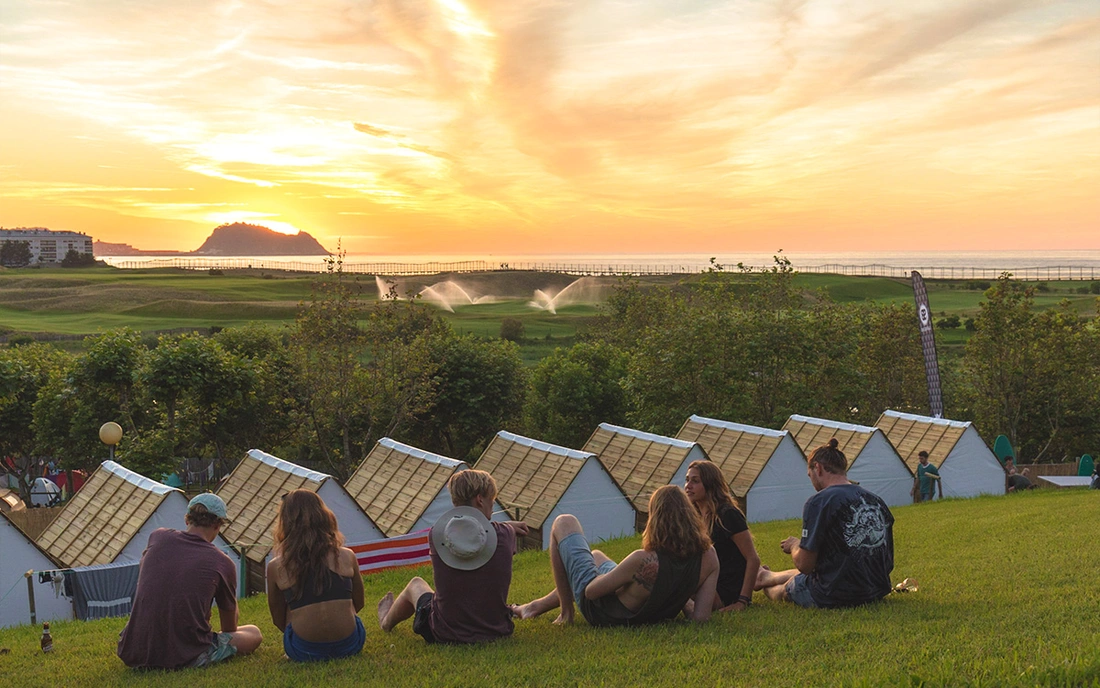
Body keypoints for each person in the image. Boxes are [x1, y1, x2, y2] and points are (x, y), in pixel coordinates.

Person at [511, 484, 719, 626]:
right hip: (651, 609)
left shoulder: (643, 560)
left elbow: (590, 592)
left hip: (605, 613)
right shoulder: (709, 556)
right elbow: (700, 617)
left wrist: (610, 579)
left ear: (656, 518)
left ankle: (566, 614)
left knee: (563, 522)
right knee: (596, 555)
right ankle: (534, 607)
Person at [377, 469, 529, 643]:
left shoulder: (437, 535)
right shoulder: (505, 534)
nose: (492, 506)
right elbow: (489, 537)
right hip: (495, 630)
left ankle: (386, 622)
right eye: (491, 501)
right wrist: (506, 526)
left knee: (416, 584)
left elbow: (473, 534)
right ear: (480, 499)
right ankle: (386, 621)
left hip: (445, 632)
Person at [117, 493, 262, 669]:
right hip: (184, 655)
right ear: (217, 526)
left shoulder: (158, 536)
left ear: (187, 519)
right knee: (253, 633)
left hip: (133, 650)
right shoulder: (222, 562)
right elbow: (229, 627)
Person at [756, 439, 895, 609]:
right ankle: (766, 576)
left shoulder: (819, 501)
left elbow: (805, 566)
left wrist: (794, 546)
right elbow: (887, 560)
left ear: (818, 468)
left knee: (788, 589)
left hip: (835, 594)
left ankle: (766, 585)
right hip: (876, 589)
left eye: (810, 475)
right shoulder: (876, 500)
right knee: (829, 568)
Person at [266, 490, 365, 662]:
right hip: (350, 644)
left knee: (292, 603)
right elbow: (359, 603)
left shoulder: (276, 566)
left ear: (285, 523)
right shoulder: (347, 556)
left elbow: (278, 618)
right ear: (324, 517)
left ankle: (308, 638)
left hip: (304, 651)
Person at [683, 460, 761, 611]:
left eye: (695, 481)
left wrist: (742, 601)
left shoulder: (728, 514)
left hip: (725, 590)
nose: (688, 486)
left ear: (710, 484)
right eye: (687, 480)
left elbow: (753, 559)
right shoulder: (694, 516)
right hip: (707, 582)